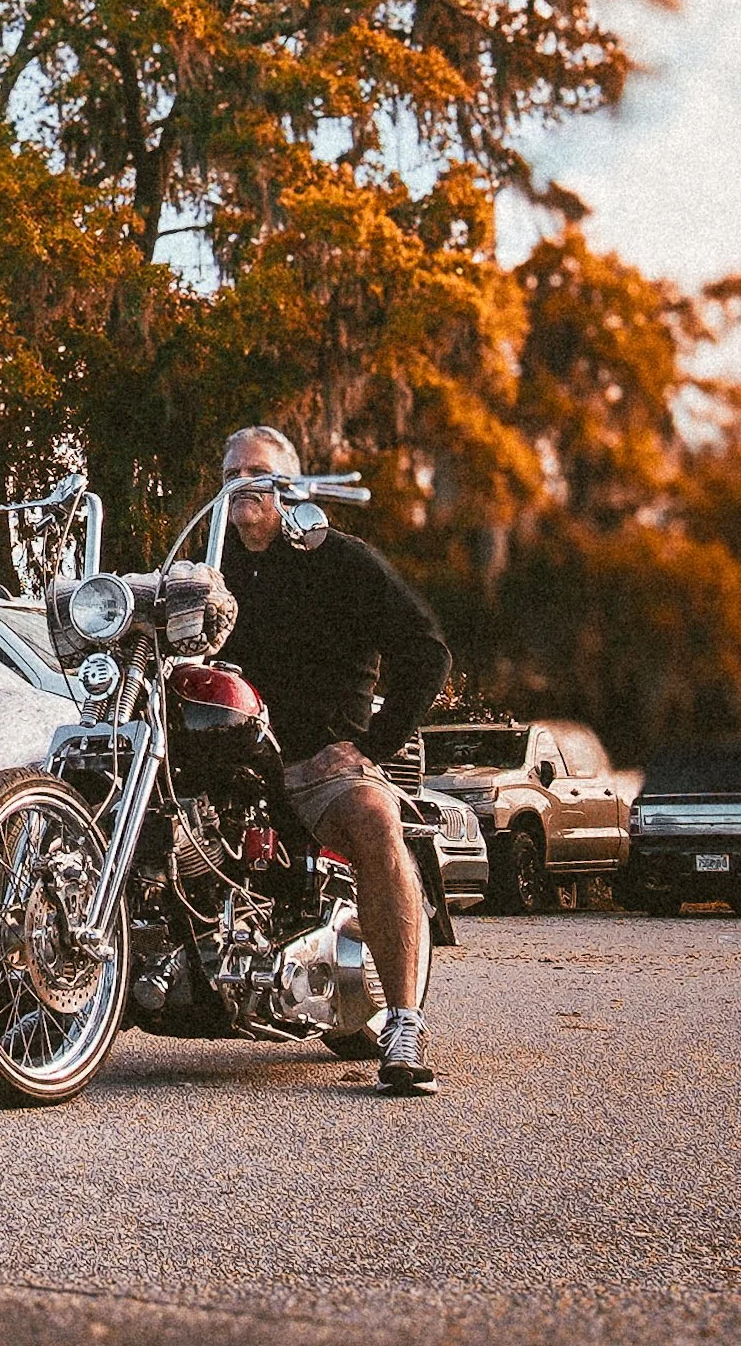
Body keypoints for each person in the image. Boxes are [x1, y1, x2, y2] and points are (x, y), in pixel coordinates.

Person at [214, 425, 453, 1096]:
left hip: (320, 763)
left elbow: (425, 651)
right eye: (230, 473)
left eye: (256, 471)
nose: (242, 485)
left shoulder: (340, 561)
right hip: (229, 766)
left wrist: (373, 745)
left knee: (375, 817)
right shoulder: (211, 569)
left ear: (290, 486)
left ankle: (402, 1022)